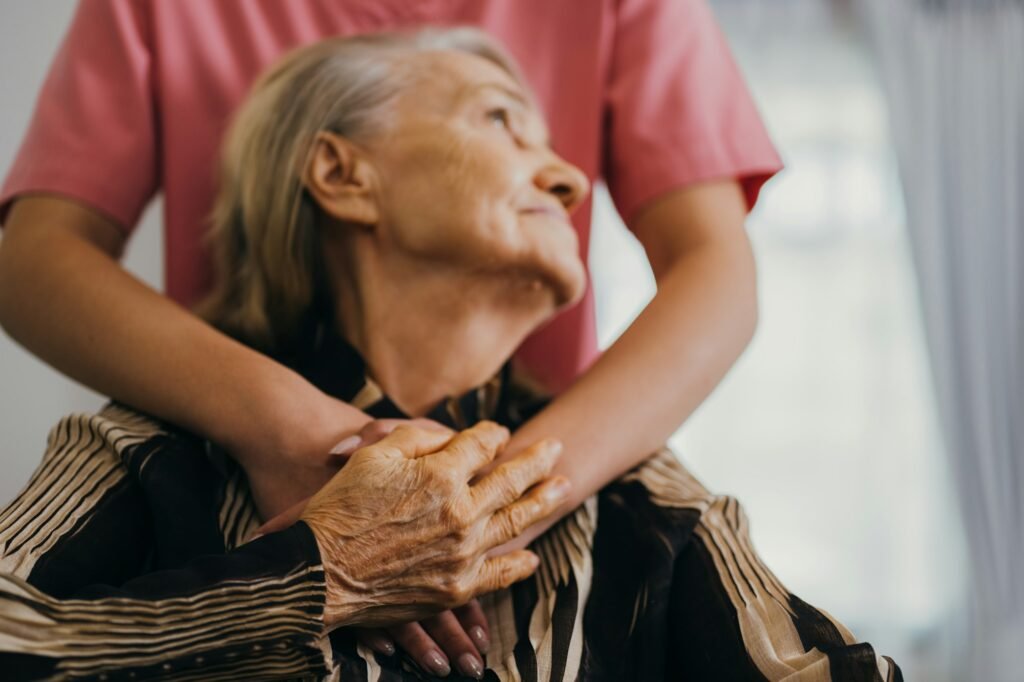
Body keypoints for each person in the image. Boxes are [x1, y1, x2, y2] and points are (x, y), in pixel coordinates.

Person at [0, 30, 900, 681]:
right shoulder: (145, 459)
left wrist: (481, 513)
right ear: (343, 176)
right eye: (504, 121)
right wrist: (316, 574)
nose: (572, 179)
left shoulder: (641, 501)